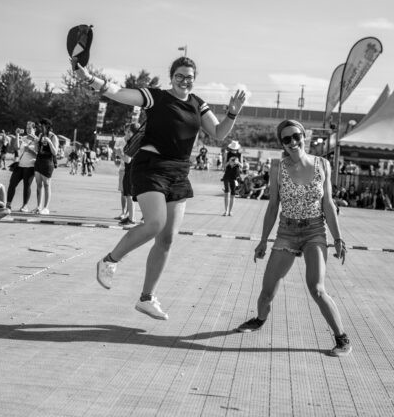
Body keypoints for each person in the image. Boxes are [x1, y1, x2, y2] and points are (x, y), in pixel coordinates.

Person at [74, 56, 246, 320]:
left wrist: (232, 113)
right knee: (155, 223)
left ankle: (147, 298)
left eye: (189, 76)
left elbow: (219, 133)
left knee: (166, 239)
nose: (184, 80)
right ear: (171, 77)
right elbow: (118, 92)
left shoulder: (198, 104)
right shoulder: (156, 97)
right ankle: (109, 261)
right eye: (180, 75)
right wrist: (89, 79)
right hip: (151, 167)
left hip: (179, 172)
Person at [235, 119, 351, 357]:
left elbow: (328, 204)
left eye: (296, 136)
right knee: (267, 292)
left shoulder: (322, 164)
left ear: (303, 136)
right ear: (282, 143)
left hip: (314, 230)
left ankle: (342, 339)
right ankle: (259, 319)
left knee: (316, 288)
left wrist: (338, 239)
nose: (292, 142)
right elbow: (273, 206)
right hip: (286, 232)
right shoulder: (277, 167)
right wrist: (263, 240)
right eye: (286, 139)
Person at [6, 122, 38, 212]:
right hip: (19, 165)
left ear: (35, 129)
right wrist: (17, 134)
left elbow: (39, 155)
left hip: (30, 166)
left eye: (30, 128)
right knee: (12, 184)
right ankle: (8, 204)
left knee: (26, 186)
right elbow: (16, 147)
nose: (28, 130)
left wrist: (30, 151)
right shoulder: (23, 138)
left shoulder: (37, 140)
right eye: (27, 128)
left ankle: (25, 206)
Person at [33, 118, 59, 215]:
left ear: (47, 126)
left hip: (48, 162)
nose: (40, 127)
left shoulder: (53, 137)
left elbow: (55, 152)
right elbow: (36, 150)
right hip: (38, 161)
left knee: (47, 185)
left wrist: (49, 142)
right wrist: (36, 142)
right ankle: (38, 207)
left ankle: (46, 208)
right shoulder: (40, 135)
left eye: (42, 125)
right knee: (38, 185)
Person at [118, 123, 141, 227]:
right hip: (132, 171)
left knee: (129, 196)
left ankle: (132, 219)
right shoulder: (137, 141)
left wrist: (119, 153)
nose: (126, 134)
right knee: (129, 195)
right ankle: (131, 217)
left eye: (128, 132)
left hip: (131, 171)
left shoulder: (133, 142)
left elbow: (128, 160)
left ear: (132, 133)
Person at [113, 133, 128, 220]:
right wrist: (115, 159)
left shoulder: (135, 140)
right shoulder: (120, 140)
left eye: (130, 131)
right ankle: (123, 212)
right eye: (127, 131)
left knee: (130, 193)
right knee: (123, 192)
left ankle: (129, 214)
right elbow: (115, 150)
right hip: (122, 168)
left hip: (132, 169)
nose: (129, 133)